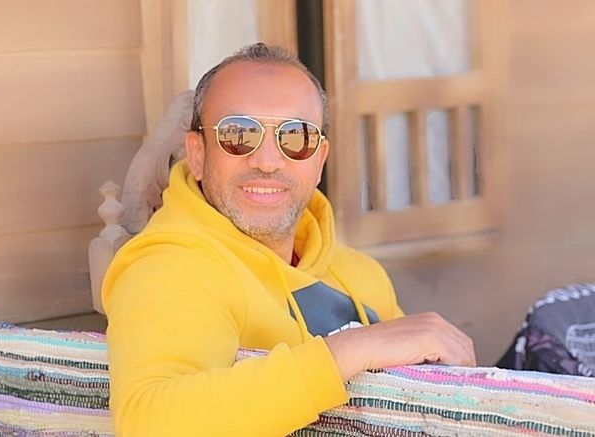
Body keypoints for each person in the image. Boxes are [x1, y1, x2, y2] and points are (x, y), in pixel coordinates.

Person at [102, 43, 476, 436]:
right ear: (197, 154)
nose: (267, 161)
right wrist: (352, 350)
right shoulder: (170, 268)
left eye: (296, 137)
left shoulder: (360, 274)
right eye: (238, 134)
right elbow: (151, 422)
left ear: (318, 160)